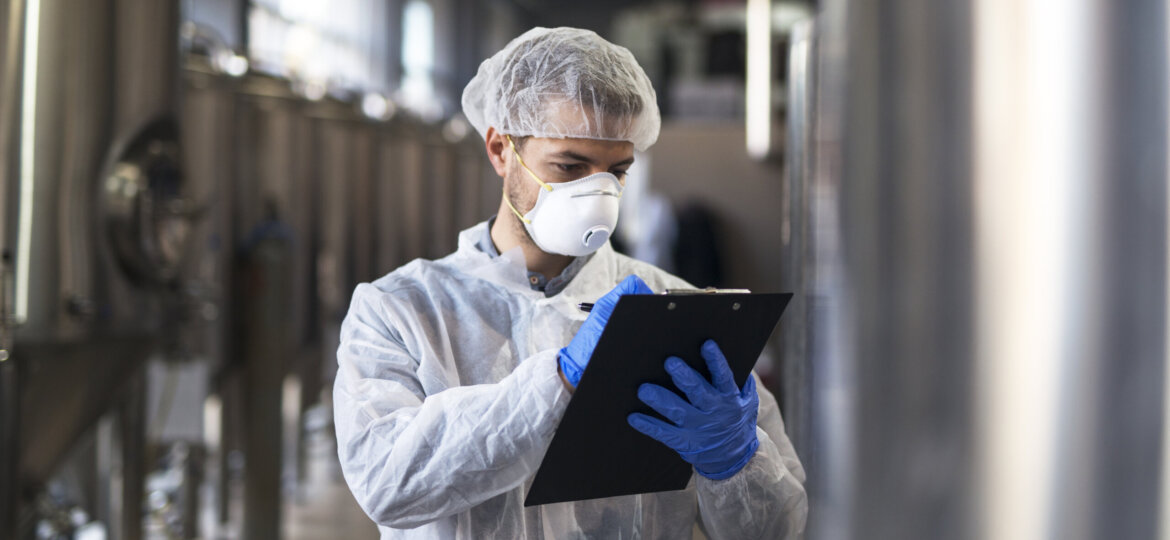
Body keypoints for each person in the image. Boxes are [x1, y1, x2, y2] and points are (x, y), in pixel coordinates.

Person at [333, 27, 807, 539]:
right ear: (500, 149)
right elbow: (387, 485)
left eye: (616, 171)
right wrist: (560, 378)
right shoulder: (400, 309)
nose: (596, 193)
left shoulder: (674, 308)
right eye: (570, 165)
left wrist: (735, 461)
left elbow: (778, 531)